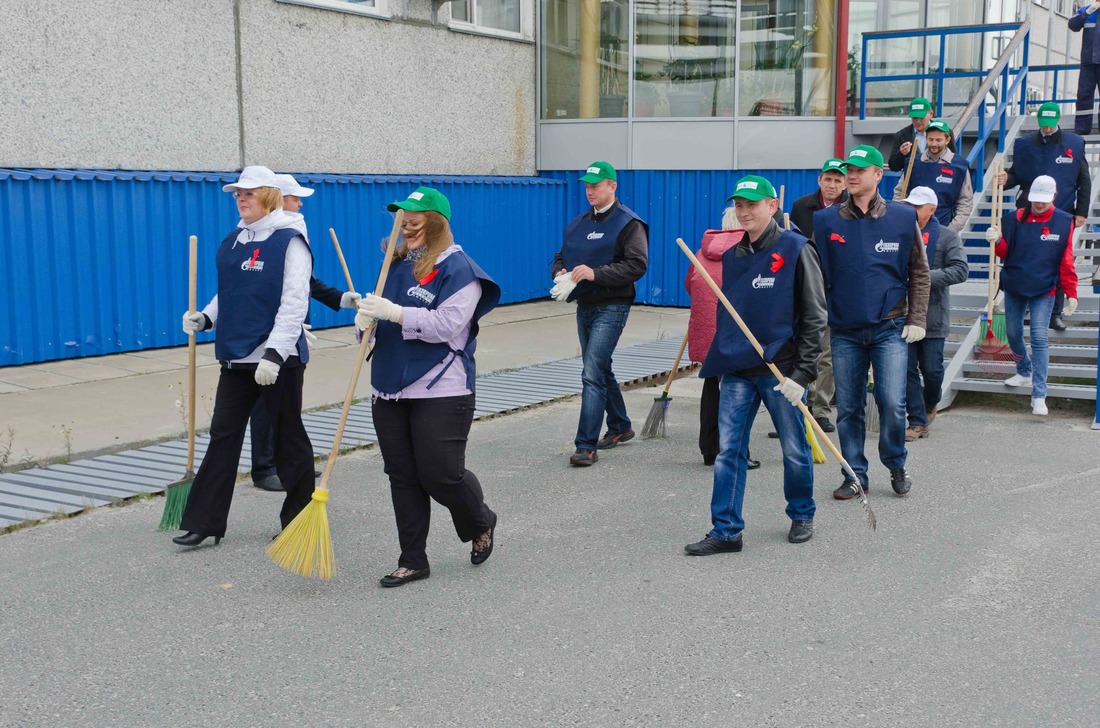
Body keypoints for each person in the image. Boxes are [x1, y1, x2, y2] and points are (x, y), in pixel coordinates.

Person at [355, 186, 501, 587]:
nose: (407, 228)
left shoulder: (460, 271)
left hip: (442, 387)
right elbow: (377, 321)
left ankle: (480, 520)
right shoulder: (396, 264)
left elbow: (446, 327)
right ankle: (413, 559)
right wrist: (364, 322)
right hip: (389, 386)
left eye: (415, 222)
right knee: (402, 475)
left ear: (437, 223)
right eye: (403, 222)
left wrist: (395, 312)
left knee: (440, 475)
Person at [173, 165, 316, 547]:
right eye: (238, 193)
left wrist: (274, 353)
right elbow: (231, 292)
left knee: (289, 440)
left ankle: (299, 522)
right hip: (236, 358)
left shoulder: (291, 241)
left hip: (276, 361)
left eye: (248, 193)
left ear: (269, 196)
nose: (241, 198)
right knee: (222, 436)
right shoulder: (235, 239)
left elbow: (294, 302)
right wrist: (206, 317)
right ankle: (204, 522)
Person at [684, 175, 826, 555]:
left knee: (794, 448)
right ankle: (727, 531)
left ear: (772, 206)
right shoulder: (733, 256)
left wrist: (803, 373)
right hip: (738, 369)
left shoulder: (797, 248)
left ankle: (801, 512)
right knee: (729, 451)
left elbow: (815, 317)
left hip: (782, 371)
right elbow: (732, 315)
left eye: (752, 204)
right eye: (740, 205)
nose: (744, 211)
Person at [812, 145, 930, 500]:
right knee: (848, 408)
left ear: (879, 174)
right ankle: (853, 474)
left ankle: (895, 462)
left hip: (890, 327)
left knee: (892, 403)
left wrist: (917, 317)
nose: (852, 175)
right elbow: (817, 275)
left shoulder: (901, 218)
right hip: (845, 329)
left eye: (861, 170)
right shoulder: (827, 220)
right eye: (850, 169)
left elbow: (919, 272)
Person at [247, 173, 361, 492]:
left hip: (293, 333)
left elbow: (305, 281)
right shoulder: (267, 235)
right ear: (278, 199)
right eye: (295, 197)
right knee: (265, 404)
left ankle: (290, 464)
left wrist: (339, 298)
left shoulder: (294, 231)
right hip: (269, 334)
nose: (300, 203)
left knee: (287, 405)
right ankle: (264, 468)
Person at [550, 161, 649, 467]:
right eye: (587, 186)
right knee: (600, 368)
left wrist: (596, 273)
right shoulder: (578, 224)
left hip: (613, 305)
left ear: (612, 186)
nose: (590, 191)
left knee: (592, 372)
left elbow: (637, 265)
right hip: (585, 305)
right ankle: (620, 426)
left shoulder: (628, 223)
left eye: (596, 185)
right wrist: (560, 271)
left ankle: (585, 445)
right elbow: (560, 255)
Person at [985, 175, 1079, 416]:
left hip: (1045, 286)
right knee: (1014, 332)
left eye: (1044, 201)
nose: (1038, 204)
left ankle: (1039, 394)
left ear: (1054, 197)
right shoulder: (1014, 218)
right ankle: (1023, 369)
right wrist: (996, 242)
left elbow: (1066, 259)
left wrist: (1071, 292)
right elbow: (1006, 253)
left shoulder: (1064, 221)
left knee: (1039, 338)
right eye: (1035, 200)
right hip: (1016, 282)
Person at [996, 102, 1090, 330]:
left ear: (1058, 120)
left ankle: (1054, 313)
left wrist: (1081, 212)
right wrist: (1006, 179)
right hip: (1028, 213)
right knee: (1024, 258)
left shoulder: (1074, 144)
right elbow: (1017, 174)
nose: (1047, 129)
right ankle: (1028, 305)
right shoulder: (1024, 144)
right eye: (1043, 125)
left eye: (1050, 125)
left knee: (1056, 262)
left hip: (1061, 211)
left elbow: (1083, 180)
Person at [684, 209, 759, 470]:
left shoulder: (702, 251)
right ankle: (737, 451)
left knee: (712, 387)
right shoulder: (748, 252)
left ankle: (709, 449)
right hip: (735, 332)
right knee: (738, 392)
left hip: (706, 331)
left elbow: (689, 285)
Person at [897, 187, 969, 440]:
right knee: (906, 370)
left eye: (917, 207)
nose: (912, 211)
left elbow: (960, 270)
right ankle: (917, 421)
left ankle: (930, 404)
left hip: (933, 315)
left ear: (931, 210)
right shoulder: (898, 232)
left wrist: (923, 277)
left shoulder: (947, 237)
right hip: (902, 313)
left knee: (932, 370)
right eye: (909, 206)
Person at [790, 157, 849, 433]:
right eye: (828, 179)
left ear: (845, 182)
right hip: (802, 286)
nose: (833, 184)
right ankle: (798, 406)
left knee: (827, 353)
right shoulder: (802, 206)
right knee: (800, 350)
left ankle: (822, 409)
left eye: (838, 180)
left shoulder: (851, 208)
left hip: (835, 289)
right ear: (820, 180)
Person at [892, 120, 972, 232]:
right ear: (926, 139)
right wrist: (901, 221)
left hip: (944, 228)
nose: (934, 144)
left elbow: (965, 202)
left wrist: (951, 230)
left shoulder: (959, 166)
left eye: (938, 140)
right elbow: (899, 193)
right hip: (913, 229)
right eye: (930, 139)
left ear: (947, 140)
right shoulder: (912, 163)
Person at [887, 96, 958, 172]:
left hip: (939, 177)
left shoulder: (945, 132)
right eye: (915, 118)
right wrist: (901, 154)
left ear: (931, 114)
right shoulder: (901, 135)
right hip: (913, 181)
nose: (918, 121)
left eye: (921, 117)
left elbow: (953, 160)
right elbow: (893, 167)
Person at [1070, 1, 1100, 135]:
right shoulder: (1087, 10)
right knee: (1083, 96)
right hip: (1088, 62)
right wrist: (1088, 12)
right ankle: (1082, 129)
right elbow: (1073, 25)